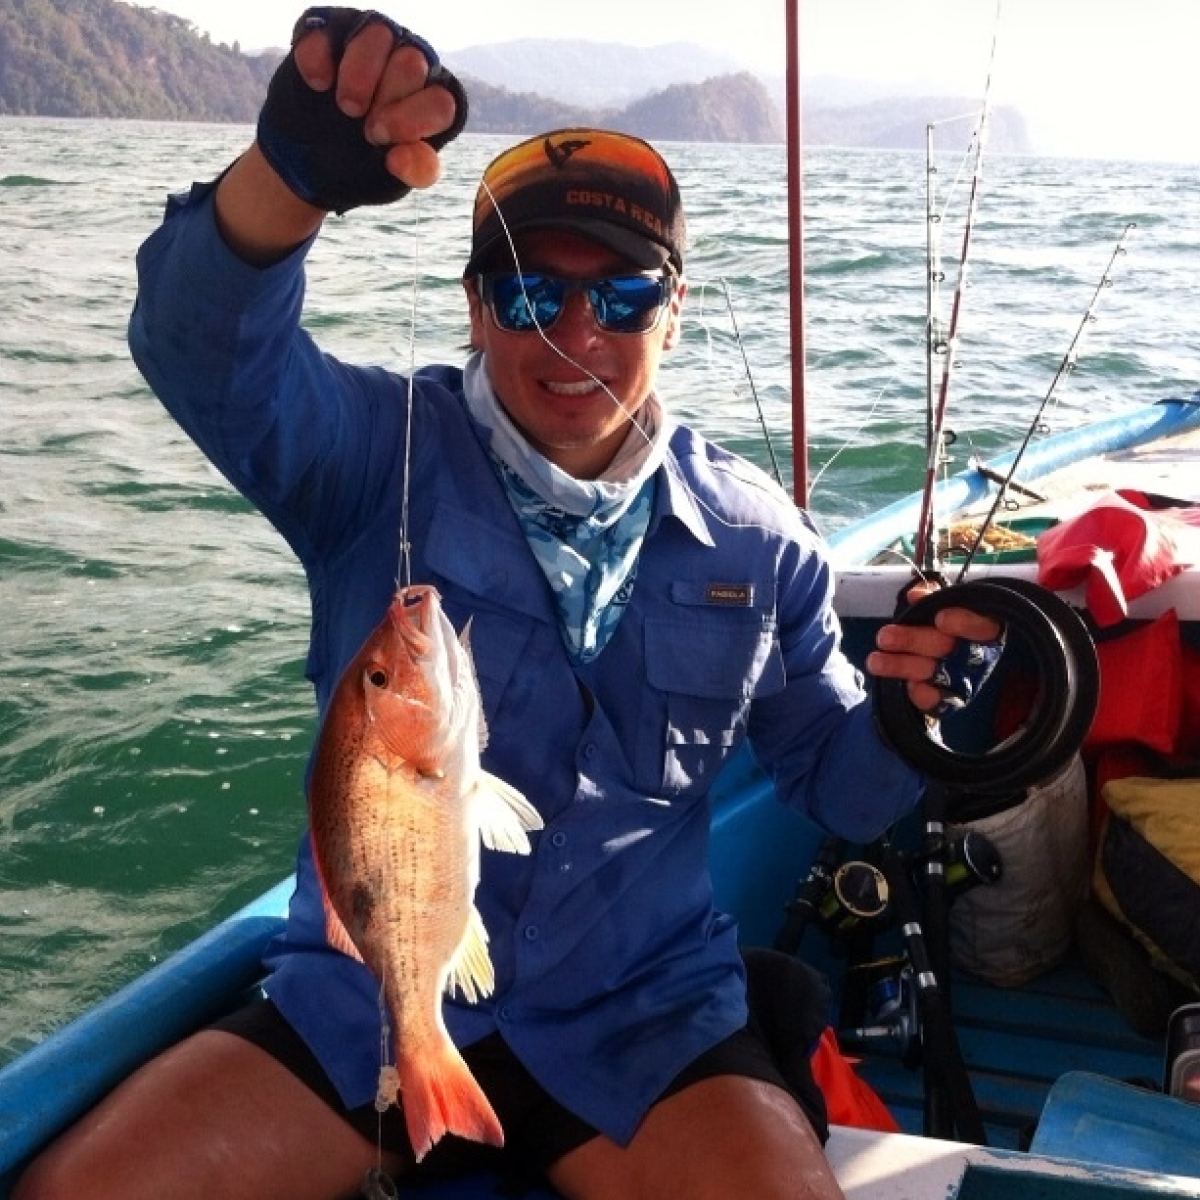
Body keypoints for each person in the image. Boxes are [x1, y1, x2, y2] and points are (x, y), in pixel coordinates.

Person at [14, 10, 1002, 1200]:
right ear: (478, 308)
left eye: (626, 295)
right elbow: (197, 348)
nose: (578, 331)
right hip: (368, 1002)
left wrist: (913, 712)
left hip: (650, 1021)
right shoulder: (373, 453)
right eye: (533, 295)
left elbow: (836, 788)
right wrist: (288, 180)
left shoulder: (762, 538)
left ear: (674, 313)